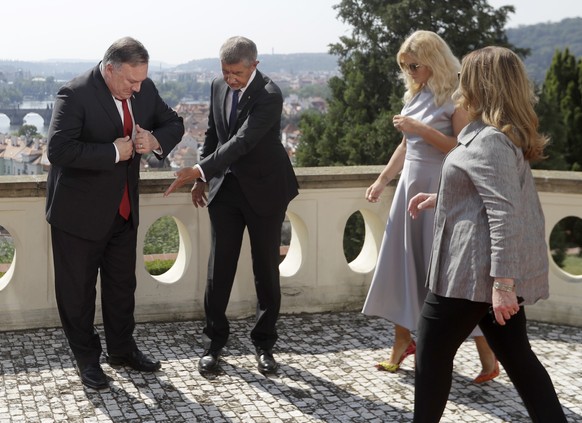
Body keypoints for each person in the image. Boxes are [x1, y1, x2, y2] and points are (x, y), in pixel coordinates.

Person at [408, 46, 567, 422]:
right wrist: (440, 197)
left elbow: (504, 213)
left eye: (466, 75)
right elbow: (491, 195)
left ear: (482, 83)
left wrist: (503, 284)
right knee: (518, 358)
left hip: (472, 276)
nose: (460, 81)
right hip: (483, 275)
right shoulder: (493, 135)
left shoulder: (491, 140)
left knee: (431, 352)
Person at [46, 37, 184, 390]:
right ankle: (88, 361)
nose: (137, 89)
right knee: (77, 293)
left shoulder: (143, 87)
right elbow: (59, 150)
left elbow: (174, 124)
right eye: (130, 82)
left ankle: (122, 350)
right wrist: (112, 152)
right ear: (109, 69)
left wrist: (153, 142)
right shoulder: (74, 93)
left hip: (124, 212)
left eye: (141, 81)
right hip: (78, 216)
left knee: (123, 287)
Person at [362, 30, 498, 382]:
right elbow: (406, 147)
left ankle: (488, 356)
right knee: (401, 267)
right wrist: (382, 180)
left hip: (440, 189)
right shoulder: (417, 94)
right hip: (409, 187)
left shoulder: (457, 96)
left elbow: (460, 148)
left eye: (414, 65)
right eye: (404, 66)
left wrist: (418, 127)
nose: (408, 71)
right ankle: (401, 343)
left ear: (433, 61)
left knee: (448, 279)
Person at [164, 36, 298, 375]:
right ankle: (215, 342)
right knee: (218, 268)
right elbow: (214, 135)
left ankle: (264, 344)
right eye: (225, 72)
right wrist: (203, 178)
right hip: (225, 189)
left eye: (236, 72)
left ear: (255, 65)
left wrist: (197, 168)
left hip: (266, 190)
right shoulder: (217, 86)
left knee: (265, 268)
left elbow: (244, 141)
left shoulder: (270, 95)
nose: (230, 79)